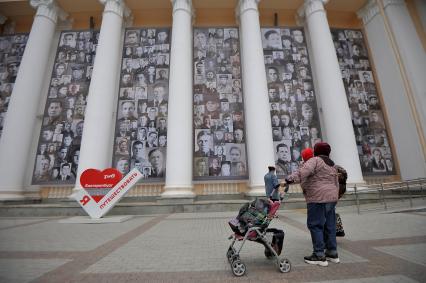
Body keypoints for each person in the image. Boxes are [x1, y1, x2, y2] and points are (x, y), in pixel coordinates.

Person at [285, 142, 340, 266]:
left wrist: (289, 179)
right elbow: (336, 182)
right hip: (331, 198)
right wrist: (334, 197)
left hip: (317, 198)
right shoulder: (332, 164)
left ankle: (319, 255)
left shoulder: (315, 160)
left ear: (316, 151)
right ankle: (332, 252)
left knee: (315, 225)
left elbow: (303, 172)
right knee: (329, 226)